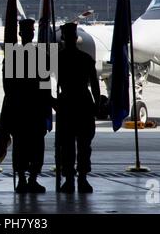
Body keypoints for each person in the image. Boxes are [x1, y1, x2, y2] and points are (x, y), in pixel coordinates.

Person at [2, 18, 48, 194]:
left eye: (30, 32)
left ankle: (30, 179)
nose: (29, 35)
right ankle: (23, 179)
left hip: (28, 107)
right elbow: (8, 85)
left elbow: (44, 83)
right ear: (21, 34)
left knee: (33, 147)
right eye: (27, 32)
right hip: (24, 107)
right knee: (23, 146)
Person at [56, 21, 100, 193]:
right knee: (81, 145)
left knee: (70, 145)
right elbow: (95, 85)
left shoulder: (58, 58)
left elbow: (47, 83)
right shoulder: (86, 59)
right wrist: (96, 103)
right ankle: (81, 178)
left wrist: (53, 100)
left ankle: (72, 179)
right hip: (81, 101)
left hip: (68, 102)